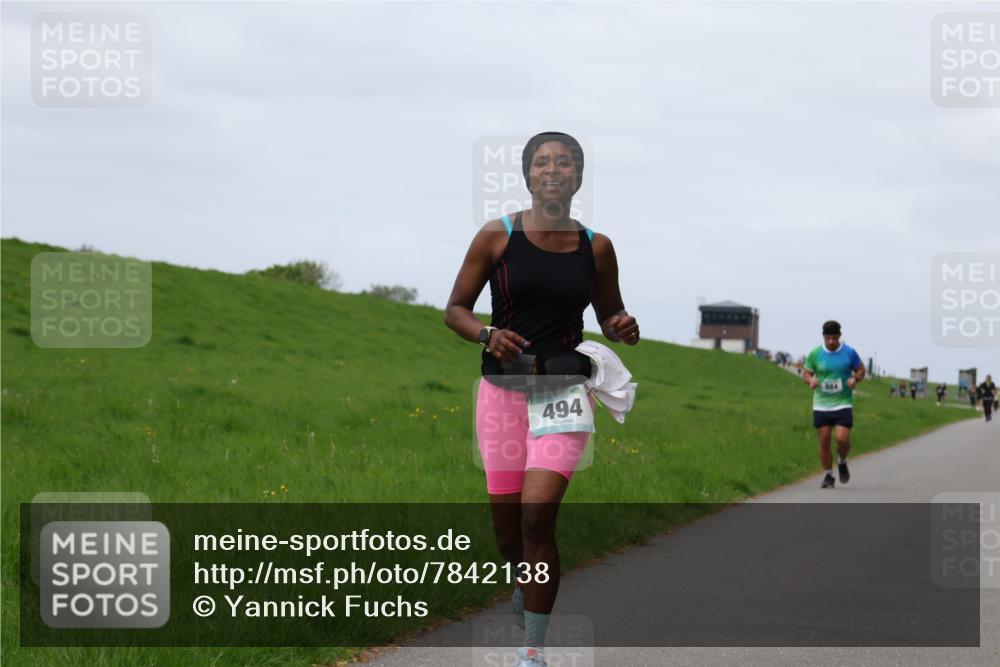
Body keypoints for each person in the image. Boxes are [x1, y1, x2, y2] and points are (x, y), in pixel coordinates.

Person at [444, 131, 639, 667]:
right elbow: (455, 309)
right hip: (502, 394)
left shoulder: (596, 246)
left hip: (563, 394)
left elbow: (609, 313)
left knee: (537, 520)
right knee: (508, 531)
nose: (553, 170)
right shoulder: (497, 236)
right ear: (528, 175)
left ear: (577, 177)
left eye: (564, 163)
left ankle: (533, 649)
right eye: (542, 162)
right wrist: (486, 334)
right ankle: (518, 577)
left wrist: (621, 324)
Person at [801, 321, 865, 489]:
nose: (831, 342)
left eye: (834, 338)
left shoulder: (849, 352)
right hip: (821, 404)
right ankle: (828, 475)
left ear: (840, 336)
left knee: (842, 439)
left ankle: (842, 461)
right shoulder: (815, 353)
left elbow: (861, 370)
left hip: (843, 402)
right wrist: (811, 380)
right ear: (823, 336)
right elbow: (806, 372)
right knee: (824, 440)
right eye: (828, 338)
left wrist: (855, 379)